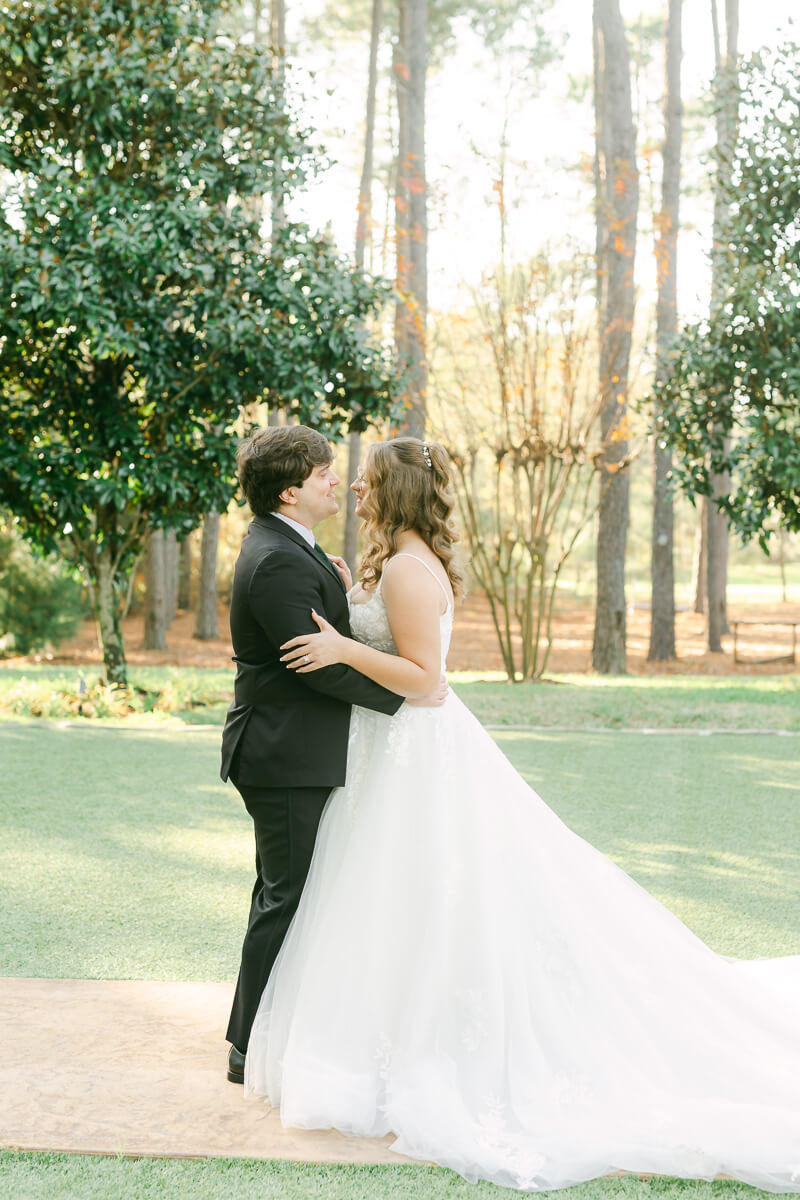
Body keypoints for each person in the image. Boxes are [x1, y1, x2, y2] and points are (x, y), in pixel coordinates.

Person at [243, 435, 800, 1193]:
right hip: (390, 751)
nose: (358, 493)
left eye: (369, 483)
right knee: (394, 901)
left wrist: (342, 643)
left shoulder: (410, 568)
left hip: (414, 748)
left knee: (420, 895)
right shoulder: (397, 563)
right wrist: (347, 599)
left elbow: (425, 680)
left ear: (398, 493)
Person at [220, 425, 445, 1086]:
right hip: (284, 751)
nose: (336, 483)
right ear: (291, 491)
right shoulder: (279, 555)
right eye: (323, 475)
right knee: (286, 895)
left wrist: (346, 606)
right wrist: (406, 698)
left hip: (299, 746)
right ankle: (247, 1042)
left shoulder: (297, 547)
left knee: (294, 890)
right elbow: (311, 663)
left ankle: (267, 1029)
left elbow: (326, 630)